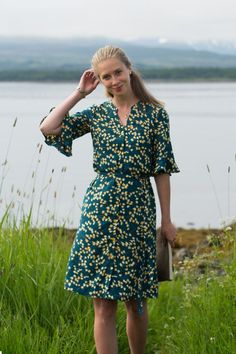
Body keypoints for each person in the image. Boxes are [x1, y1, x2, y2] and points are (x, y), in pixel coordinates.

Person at [39, 45, 180, 354]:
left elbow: (163, 169)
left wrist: (166, 220)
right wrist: (79, 93)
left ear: (129, 69)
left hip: (138, 210)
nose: (114, 80)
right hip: (99, 211)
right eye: (106, 77)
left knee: (136, 301)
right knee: (103, 304)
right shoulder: (97, 114)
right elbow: (49, 128)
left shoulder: (155, 115)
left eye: (118, 72)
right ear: (100, 82)